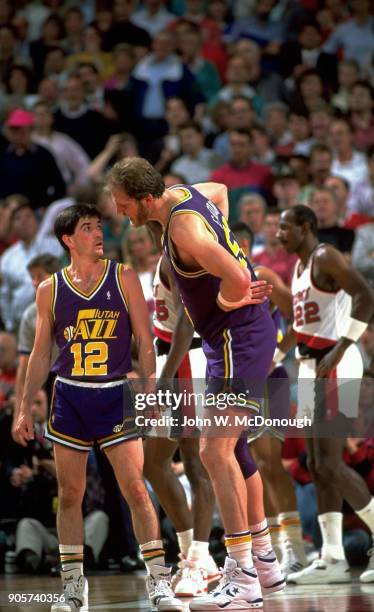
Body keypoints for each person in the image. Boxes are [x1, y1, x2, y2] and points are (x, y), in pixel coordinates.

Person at [107, 158, 284, 610]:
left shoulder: (183, 230)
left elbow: (241, 277)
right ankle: (264, 561)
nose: (120, 212)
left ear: (147, 199)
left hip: (236, 337)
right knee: (235, 450)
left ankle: (240, 571)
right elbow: (221, 191)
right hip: (229, 338)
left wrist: (226, 299)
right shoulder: (185, 194)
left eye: (125, 204)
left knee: (212, 451)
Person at [14, 203, 183, 612]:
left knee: (135, 490)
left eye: (98, 226)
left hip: (115, 394)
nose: (98, 233)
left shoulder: (122, 276)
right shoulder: (49, 289)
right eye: (87, 228)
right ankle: (73, 588)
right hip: (70, 394)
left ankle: (159, 582)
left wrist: (147, 393)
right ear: (68, 239)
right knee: (70, 493)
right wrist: (22, 408)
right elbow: (39, 355)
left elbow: (145, 341)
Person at [276, 204, 374, 584]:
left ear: (305, 227)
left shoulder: (325, 256)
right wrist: (276, 354)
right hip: (310, 367)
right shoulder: (299, 270)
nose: (280, 235)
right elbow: (300, 329)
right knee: (317, 464)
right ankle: (332, 555)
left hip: (337, 365)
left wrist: (342, 348)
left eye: (286, 228)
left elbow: (366, 295)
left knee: (332, 463)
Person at [144, 238, 219, 597]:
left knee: (194, 462)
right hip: (171, 360)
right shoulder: (164, 259)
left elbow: (187, 325)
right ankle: (193, 553)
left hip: (185, 363)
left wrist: (164, 378)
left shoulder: (177, 261)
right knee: (154, 463)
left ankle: (199, 556)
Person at [13, 254, 61, 441]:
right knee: (58, 438)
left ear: (55, 276)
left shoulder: (77, 304)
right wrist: (19, 413)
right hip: (50, 379)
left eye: (40, 276)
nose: (35, 282)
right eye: (32, 277)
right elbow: (24, 368)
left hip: (85, 373)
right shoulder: (30, 316)